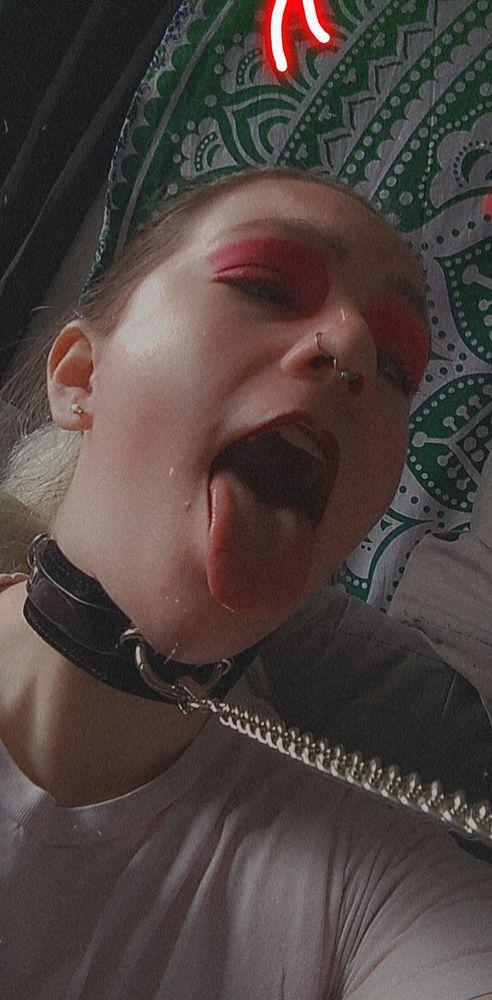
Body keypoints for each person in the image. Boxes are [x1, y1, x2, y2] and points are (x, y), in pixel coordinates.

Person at [0, 166, 491, 999]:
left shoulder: (370, 883)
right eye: (265, 286)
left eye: (397, 366)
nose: (353, 350)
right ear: (80, 377)